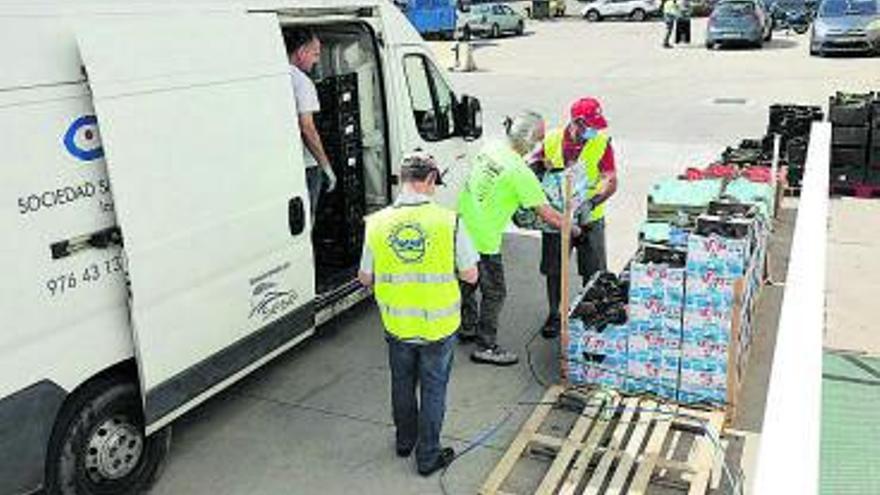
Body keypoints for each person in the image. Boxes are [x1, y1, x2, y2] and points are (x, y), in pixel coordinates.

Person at [358, 152, 479, 477]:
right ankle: (428, 455)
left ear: (401, 179)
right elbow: (470, 275)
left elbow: (365, 278)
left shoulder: (377, 222)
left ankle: (404, 440)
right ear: (429, 180)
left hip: (397, 324)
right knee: (433, 388)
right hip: (439, 326)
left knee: (401, 383)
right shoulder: (449, 221)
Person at [457, 111, 578, 366]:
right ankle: (485, 346)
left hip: (461, 227)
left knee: (466, 284)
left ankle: (467, 327)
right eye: (539, 139)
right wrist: (574, 228)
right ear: (528, 139)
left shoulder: (491, 148)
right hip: (484, 238)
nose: (539, 145)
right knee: (495, 292)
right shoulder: (518, 171)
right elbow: (548, 214)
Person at [533, 97, 619, 339]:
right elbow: (532, 166)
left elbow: (610, 180)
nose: (594, 131)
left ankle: (590, 314)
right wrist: (540, 168)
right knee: (554, 269)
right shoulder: (551, 140)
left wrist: (592, 202)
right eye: (590, 125)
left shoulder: (601, 144)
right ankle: (554, 313)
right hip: (558, 218)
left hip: (589, 218)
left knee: (593, 271)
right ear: (576, 122)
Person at [284, 28, 336, 218]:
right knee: (307, 221)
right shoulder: (302, 82)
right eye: (315, 54)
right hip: (307, 166)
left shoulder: (276, 76)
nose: (316, 61)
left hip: (287, 163)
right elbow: (307, 128)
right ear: (301, 52)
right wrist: (326, 166)